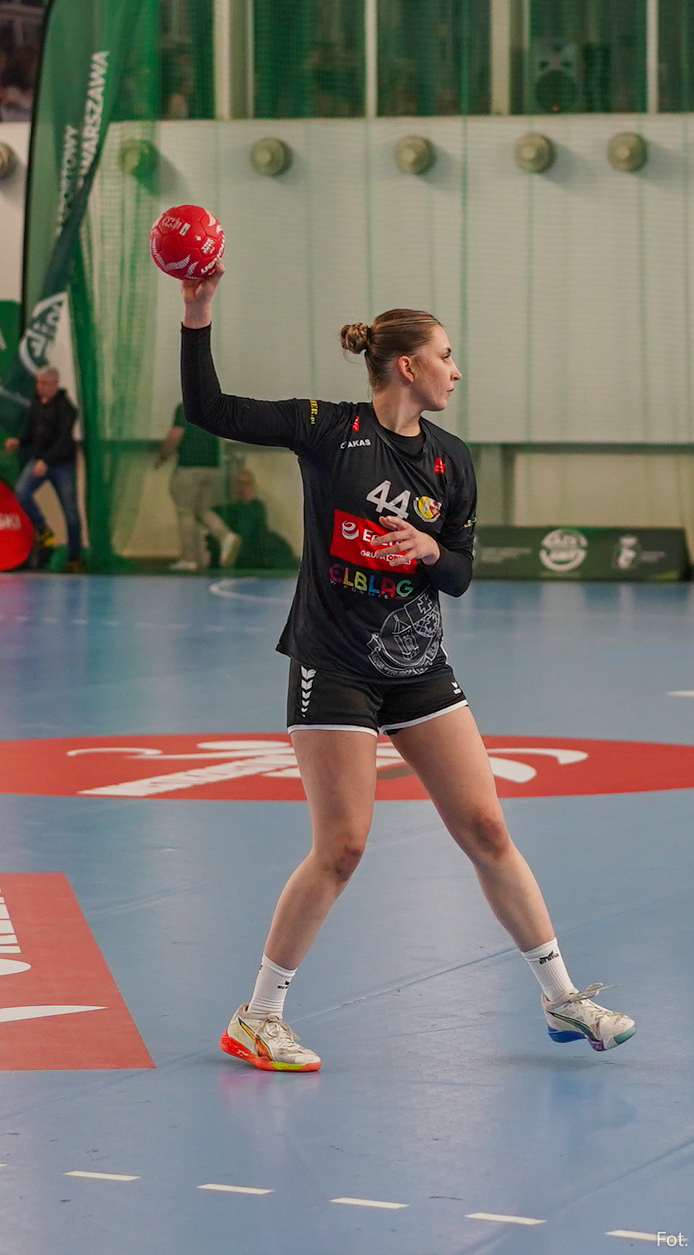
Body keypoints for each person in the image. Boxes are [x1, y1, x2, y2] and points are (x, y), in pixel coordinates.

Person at [180, 261, 636, 1072]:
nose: (455, 371)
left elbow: (458, 572)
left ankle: (561, 998)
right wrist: (198, 310)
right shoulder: (329, 430)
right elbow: (208, 410)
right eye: (446, 356)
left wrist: (428, 549)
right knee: (342, 847)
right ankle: (258, 1015)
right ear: (406, 366)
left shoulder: (451, 460)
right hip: (334, 664)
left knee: (486, 827)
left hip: (418, 665)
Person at [5, 366, 84, 572]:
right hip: (38, 460)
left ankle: (75, 558)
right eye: (38, 382)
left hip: (62, 465)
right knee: (21, 492)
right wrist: (20, 442)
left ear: (55, 384)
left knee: (70, 511)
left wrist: (47, 461)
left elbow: (64, 439)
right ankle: (43, 529)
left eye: (44, 383)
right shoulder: (36, 403)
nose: (40, 387)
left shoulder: (66, 408)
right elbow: (32, 431)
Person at [155, 402, 240, 571]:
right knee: (203, 509)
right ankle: (225, 536)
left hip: (189, 467)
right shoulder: (216, 407)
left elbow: (175, 435)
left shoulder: (186, 407)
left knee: (185, 512)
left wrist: (163, 456)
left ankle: (189, 559)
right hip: (214, 468)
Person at [213, 467, 297, 570]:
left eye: (246, 484)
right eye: (239, 484)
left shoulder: (258, 507)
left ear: (252, 486)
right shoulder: (228, 510)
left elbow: (259, 529)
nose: (243, 488)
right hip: (244, 554)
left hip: (260, 549)